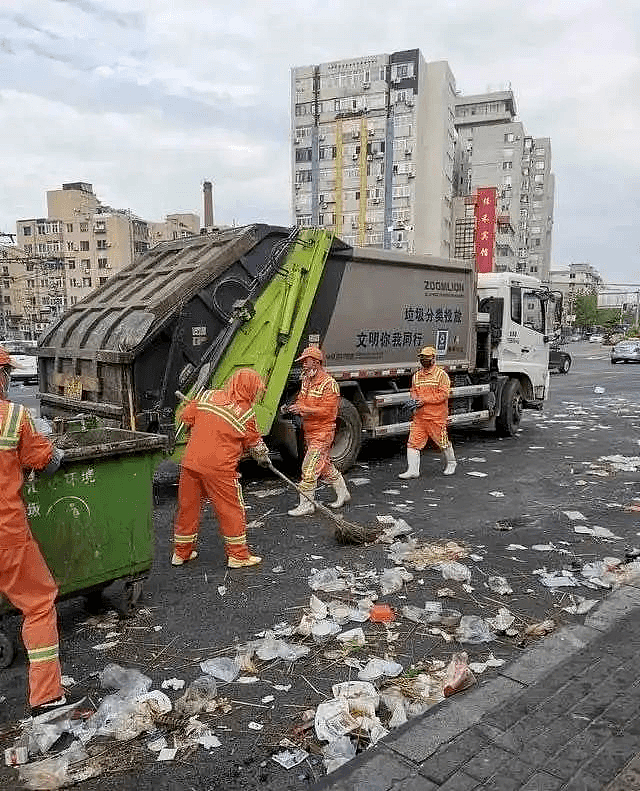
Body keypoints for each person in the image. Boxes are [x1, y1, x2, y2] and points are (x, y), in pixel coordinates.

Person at [0, 347, 67, 716]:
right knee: (38, 605)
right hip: (6, 534)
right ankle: (46, 697)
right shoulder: (12, 417)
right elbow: (45, 460)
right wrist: (54, 455)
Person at [172, 368, 270, 569]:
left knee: (188, 508)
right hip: (219, 470)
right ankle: (238, 556)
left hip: (191, 463)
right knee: (231, 510)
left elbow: (187, 418)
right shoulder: (245, 413)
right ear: (249, 388)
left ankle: (181, 553)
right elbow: (256, 446)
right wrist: (264, 458)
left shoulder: (207, 395)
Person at [284, 345, 350, 516]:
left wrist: (304, 409)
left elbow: (328, 411)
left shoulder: (330, 384)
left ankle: (306, 505)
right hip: (310, 431)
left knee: (309, 468)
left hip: (323, 432)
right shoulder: (306, 380)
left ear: (316, 362)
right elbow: (302, 399)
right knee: (325, 466)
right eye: (303, 362)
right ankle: (343, 493)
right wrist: (297, 407)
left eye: (306, 362)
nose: (303, 365)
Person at [399, 345, 456, 479]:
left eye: (427, 358)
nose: (424, 360)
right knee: (413, 443)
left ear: (434, 359)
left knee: (442, 442)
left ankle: (452, 463)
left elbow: (443, 395)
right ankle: (413, 470)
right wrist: (414, 400)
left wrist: (424, 400)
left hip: (436, 417)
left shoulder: (442, 376)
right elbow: (414, 390)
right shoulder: (417, 376)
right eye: (422, 358)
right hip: (420, 417)